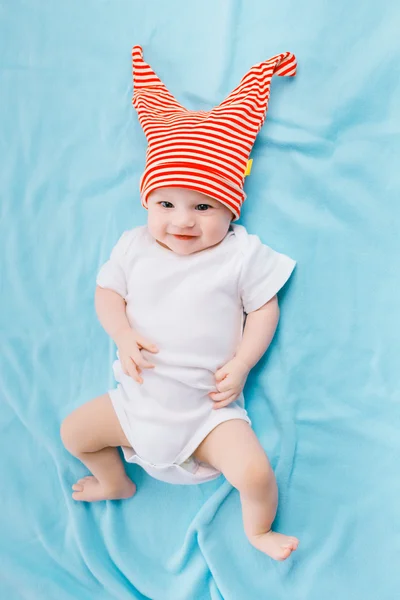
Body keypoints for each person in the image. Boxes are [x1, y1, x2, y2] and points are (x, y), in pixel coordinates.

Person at [60, 46, 299, 561]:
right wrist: (122, 335)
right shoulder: (133, 245)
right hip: (135, 405)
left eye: (204, 206)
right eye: (165, 204)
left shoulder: (240, 253)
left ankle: (258, 531)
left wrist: (241, 363)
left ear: (230, 208)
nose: (182, 221)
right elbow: (108, 294)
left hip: (206, 415)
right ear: (147, 202)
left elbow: (263, 308)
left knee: (255, 474)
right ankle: (114, 480)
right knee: (74, 432)